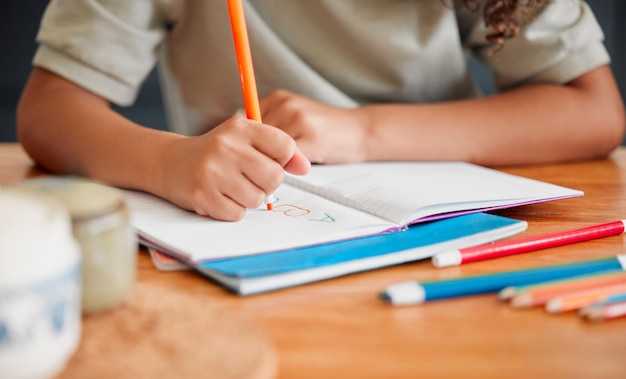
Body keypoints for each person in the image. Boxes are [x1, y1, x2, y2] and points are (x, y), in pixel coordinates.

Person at [17, 0, 625, 222]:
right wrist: (168, 163)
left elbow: (595, 109)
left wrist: (365, 131)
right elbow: (49, 108)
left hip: (444, 236)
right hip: (240, 232)